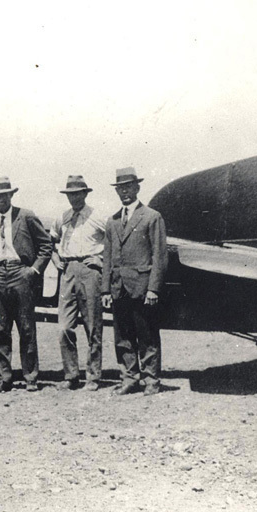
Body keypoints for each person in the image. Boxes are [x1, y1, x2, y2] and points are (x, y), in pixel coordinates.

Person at [101, 167, 168, 396]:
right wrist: (105, 290)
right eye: (120, 188)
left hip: (141, 287)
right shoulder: (112, 221)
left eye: (128, 187)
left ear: (137, 188)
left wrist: (153, 289)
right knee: (123, 336)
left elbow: (159, 256)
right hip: (119, 288)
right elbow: (107, 258)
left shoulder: (151, 216)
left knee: (147, 335)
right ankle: (129, 378)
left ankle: (151, 380)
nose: (124, 192)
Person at [0, 176, 53, 393]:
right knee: (0, 329)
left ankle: (30, 377)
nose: (1, 199)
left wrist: (33, 270)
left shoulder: (26, 216)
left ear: (11, 195)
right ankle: (4, 377)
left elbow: (46, 245)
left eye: (4, 195)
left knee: (26, 328)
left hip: (20, 273)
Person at [50, 175, 108, 392]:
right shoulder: (63, 218)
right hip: (68, 272)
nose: (73, 198)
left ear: (85, 193)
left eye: (77, 193)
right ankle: (71, 375)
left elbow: (114, 239)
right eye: (70, 194)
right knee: (64, 327)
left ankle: (93, 377)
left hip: (90, 271)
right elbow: (51, 241)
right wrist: (56, 259)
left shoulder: (97, 217)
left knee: (93, 327)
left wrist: (101, 261)